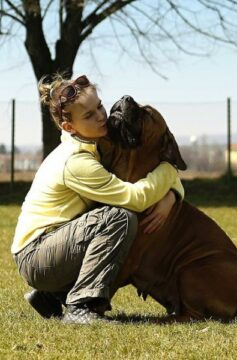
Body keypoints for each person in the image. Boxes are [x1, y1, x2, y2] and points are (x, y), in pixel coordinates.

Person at [11, 74, 184, 324]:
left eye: (99, 106)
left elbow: (144, 173)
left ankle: (52, 296)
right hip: (37, 255)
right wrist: (169, 170)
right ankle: (80, 306)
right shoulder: (76, 161)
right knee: (118, 219)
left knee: (110, 216)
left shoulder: (92, 141)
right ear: (68, 127)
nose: (101, 116)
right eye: (89, 115)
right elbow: (134, 198)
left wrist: (172, 194)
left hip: (50, 246)